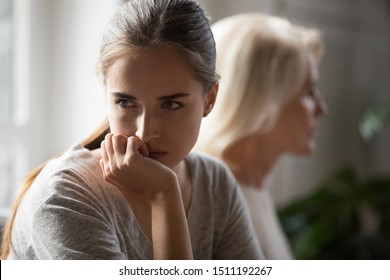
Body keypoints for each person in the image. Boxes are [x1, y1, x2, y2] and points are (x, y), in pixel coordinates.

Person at [0, 0, 263, 260]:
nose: (144, 133)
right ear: (107, 92)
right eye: (126, 102)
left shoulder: (214, 184)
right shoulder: (64, 199)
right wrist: (164, 195)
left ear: (209, 99)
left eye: (171, 104)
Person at [196, 13, 328, 259]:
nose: (322, 109)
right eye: (309, 91)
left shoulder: (253, 190)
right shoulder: (212, 201)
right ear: (263, 100)